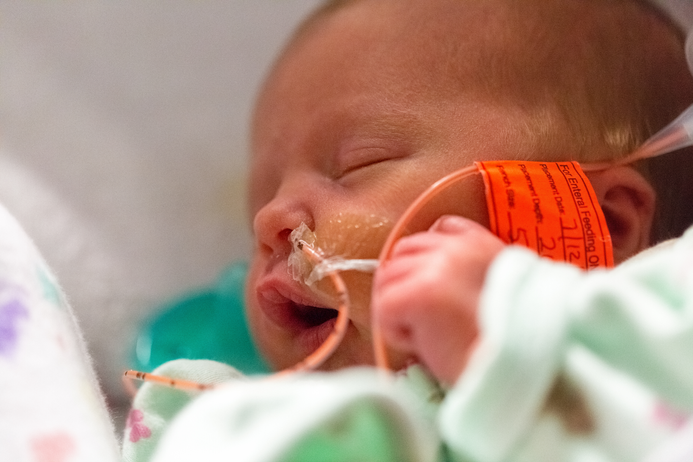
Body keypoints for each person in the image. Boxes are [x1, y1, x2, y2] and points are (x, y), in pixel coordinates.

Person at [119, 0, 693, 461]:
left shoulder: (669, 317)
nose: (271, 220)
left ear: (606, 224)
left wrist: (518, 340)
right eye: (258, 204)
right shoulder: (222, 410)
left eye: (359, 165)